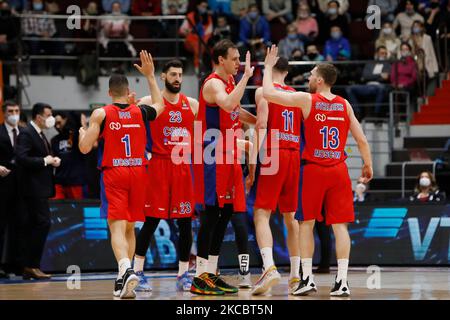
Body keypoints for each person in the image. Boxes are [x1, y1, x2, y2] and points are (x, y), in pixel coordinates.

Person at [262, 45, 373, 297]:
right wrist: (368, 164)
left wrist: (267, 67)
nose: (309, 78)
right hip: (338, 170)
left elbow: (268, 93)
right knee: (340, 227)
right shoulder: (345, 105)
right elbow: (362, 139)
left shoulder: (306, 99)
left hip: (313, 170)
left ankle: (307, 279)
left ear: (320, 80)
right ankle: (342, 281)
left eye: (312, 75)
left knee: (305, 225)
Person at [78, 50, 165, 299]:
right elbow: (160, 105)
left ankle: (125, 269)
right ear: (128, 92)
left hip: (115, 172)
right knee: (129, 227)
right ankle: (122, 281)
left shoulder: (101, 113)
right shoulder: (140, 111)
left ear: (109, 93)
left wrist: (84, 131)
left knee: (116, 227)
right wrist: (150, 76)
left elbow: (85, 148)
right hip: (139, 171)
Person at [191, 39, 256, 295]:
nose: (239, 63)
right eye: (235, 59)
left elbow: (235, 111)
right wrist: (247, 77)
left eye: (240, 59)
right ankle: (199, 277)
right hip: (210, 156)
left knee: (226, 212)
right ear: (220, 60)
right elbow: (228, 104)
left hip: (228, 156)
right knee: (209, 216)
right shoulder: (213, 84)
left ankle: (211, 273)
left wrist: (260, 120)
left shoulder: (229, 83)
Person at [132, 59, 198, 293]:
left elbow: (203, 137)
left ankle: (183, 274)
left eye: (180, 74)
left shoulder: (192, 104)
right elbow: (129, 123)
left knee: (185, 223)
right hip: (158, 166)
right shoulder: (150, 101)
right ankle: (137, 272)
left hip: (182, 167)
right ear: (163, 77)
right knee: (150, 221)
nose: (177, 78)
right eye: (173, 74)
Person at [248, 57, 301, 296]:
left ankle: (269, 267)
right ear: (287, 72)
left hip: (275, 152)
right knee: (291, 218)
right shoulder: (297, 96)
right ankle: (296, 274)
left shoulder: (263, 91)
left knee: (262, 212)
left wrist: (251, 167)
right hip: (294, 154)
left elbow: (260, 126)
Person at [15, 102, 61, 280]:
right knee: (42, 224)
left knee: (37, 225)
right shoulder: (27, 133)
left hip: (40, 188)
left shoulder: (40, 134)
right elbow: (22, 158)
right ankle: (31, 265)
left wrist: (51, 161)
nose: (51, 118)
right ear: (38, 116)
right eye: (48, 115)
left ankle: (30, 265)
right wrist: (44, 161)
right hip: (32, 189)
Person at [0, 101, 22, 278]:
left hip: (23, 187)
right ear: (4, 113)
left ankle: (15, 264)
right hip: (3, 187)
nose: (14, 114)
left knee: (20, 226)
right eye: (10, 111)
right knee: (1, 227)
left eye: (16, 110)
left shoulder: (24, 132)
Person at [345, 46, 391, 119]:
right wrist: (379, 75)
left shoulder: (388, 65)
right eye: (382, 53)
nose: (384, 55)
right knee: (349, 89)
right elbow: (365, 76)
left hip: (379, 86)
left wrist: (372, 76)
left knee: (382, 89)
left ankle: (376, 114)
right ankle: (357, 112)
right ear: (377, 54)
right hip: (367, 86)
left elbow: (385, 78)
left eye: (385, 53)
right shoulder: (370, 63)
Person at [51, 112, 87, 199]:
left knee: (77, 209)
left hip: (75, 181)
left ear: (65, 120)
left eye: (59, 123)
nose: (57, 126)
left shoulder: (76, 136)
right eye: (55, 124)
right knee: (56, 208)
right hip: (59, 181)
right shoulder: (54, 140)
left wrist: (82, 122)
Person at [179, 1, 213, 74]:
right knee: (197, 45)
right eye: (203, 6)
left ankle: (214, 70)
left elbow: (209, 31)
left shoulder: (208, 17)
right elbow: (182, 30)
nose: (204, 8)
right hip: (190, 42)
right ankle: (198, 68)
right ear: (198, 6)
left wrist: (203, 39)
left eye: (206, 7)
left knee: (213, 48)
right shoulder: (190, 16)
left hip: (204, 41)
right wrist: (189, 31)